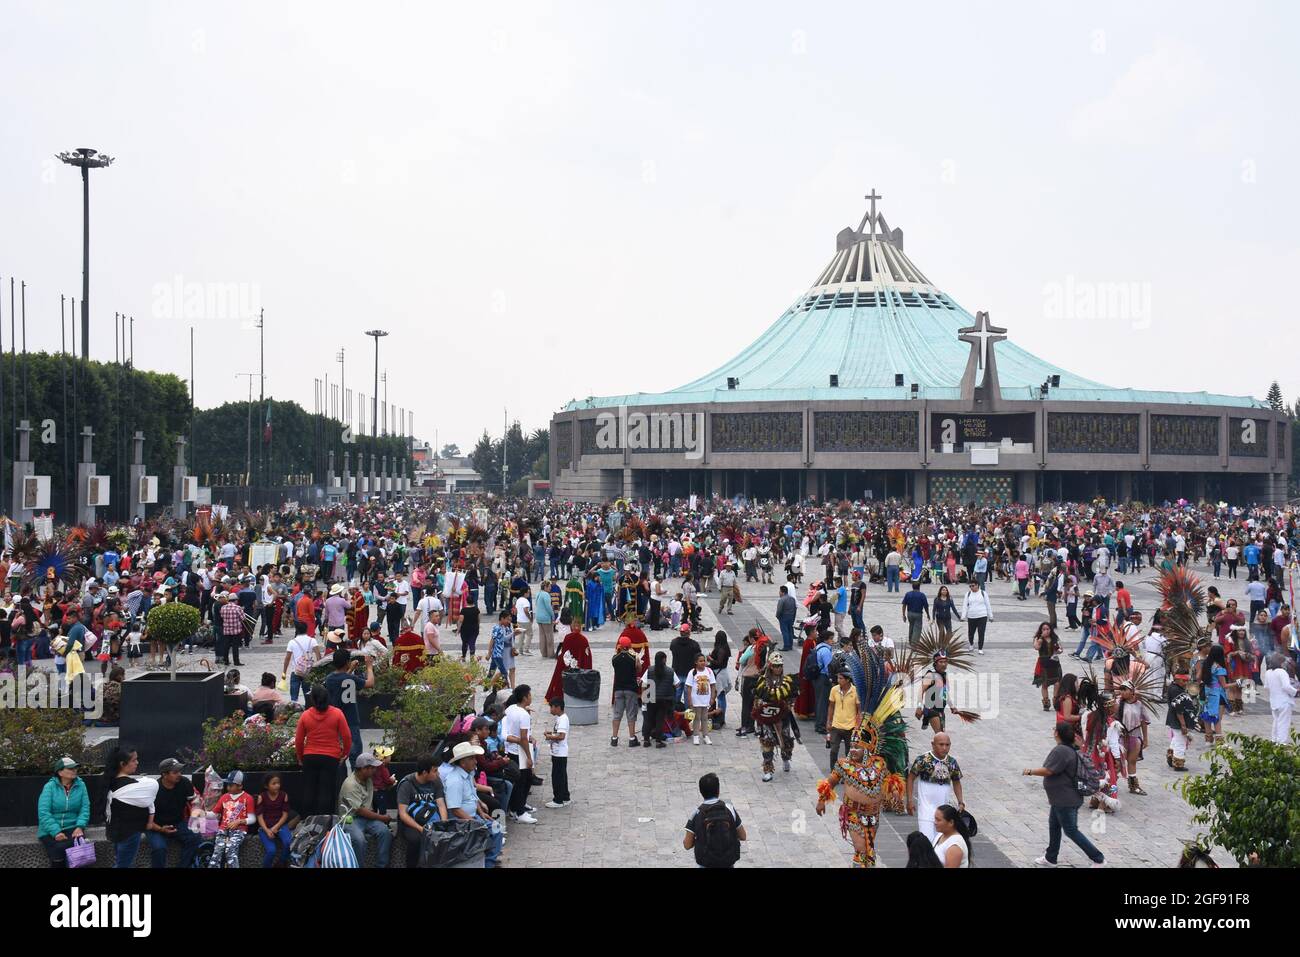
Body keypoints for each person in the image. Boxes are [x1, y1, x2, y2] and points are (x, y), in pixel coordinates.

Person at [1022, 721, 1105, 867]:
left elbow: (1048, 770)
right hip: (1059, 799)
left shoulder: (1060, 751)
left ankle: (1098, 858)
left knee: (1071, 831)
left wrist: (1030, 771)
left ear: (1057, 733)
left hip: (1066, 800)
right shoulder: (1069, 749)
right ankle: (1050, 857)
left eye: (1054, 729)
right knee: (1054, 826)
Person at [441, 742, 505, 867]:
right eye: (471, 758)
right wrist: (474, 821)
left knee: (497, 829)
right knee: (492, 831)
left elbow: (472, 797)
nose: (475, 761)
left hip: (473, 817)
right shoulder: (455, 780)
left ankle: (489, 861)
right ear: (462, 762)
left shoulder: (468, 775)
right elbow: (455, 810)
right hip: (461, 822)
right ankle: (488, 863)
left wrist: (481, 813)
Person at [294, 685, 352, 815]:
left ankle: (308, 819)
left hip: (310, 756)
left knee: (309, 789)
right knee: (327, 791)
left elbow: (298, 740)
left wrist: (300, 756)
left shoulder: (305, 715)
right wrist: (345, 753)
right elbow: (347, 736)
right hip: (331, 757)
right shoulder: (337, 714)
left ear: (313, 700)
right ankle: (325, 820)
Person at [907, 732, 965, 843]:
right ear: (933, 744)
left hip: (944, 811)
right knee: (927, 842)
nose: (944, 748)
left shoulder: (952, 762)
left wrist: (960, 802)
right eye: (941, 744)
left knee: (941, 842)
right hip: (926, 810)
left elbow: (956, 782)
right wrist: (910, 800)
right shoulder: (923, 760)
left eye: (947, 745)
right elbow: (910, 778)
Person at [105, 746, 156, 868]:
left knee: (121, 862)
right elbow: (150, 795)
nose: (137, 763)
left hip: (115, 830)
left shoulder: (109, 781)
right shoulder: (133, 786)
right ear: (123, 764)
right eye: (134, 760)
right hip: (130, 833)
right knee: (123, 865)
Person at [340, 753, 393, 868]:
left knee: (385, 832)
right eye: (373, 767)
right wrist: (382, 817)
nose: (375, 770)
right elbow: (360, 811)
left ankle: (382, 866)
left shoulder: (368, 779)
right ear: (364, 769)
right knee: (359, 840)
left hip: (367, 818)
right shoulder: (350, 784)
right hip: (351, 819)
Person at [396, 752, 448, 868]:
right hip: (411, 822)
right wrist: (420, 829)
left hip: (431, 818)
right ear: (425, 772)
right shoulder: (407, 784)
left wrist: (443, 824)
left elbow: (441, 805)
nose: (438, 773)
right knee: (416, 839)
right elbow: (403, 814)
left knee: (445, 836)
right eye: (435, 770)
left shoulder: (436, 781)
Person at [683, 772, 746, 868]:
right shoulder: (729, 809)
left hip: (706, 862)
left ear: (701, 792)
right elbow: (743, 836)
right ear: (718, 790)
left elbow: (687, 845)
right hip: (727, 862)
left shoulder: (696, 813)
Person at [324, 647, 374, 768]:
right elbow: (370, 683)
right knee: (355, 755)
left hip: (335, 721)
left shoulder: (329, 678)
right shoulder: (350, 679)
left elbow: (341, 680)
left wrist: (350, 669)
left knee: (337, 752)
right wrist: (369, 667)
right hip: (351, 720)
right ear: (347, 662)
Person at [148, 758, 202, 868]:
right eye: (175, 772)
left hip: (177, 822)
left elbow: (194, 802)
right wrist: (160, 829)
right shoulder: (154, 789)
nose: (179, 775)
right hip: (155, 825)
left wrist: (196, 819)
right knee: (159, 848)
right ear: (164, 774)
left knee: (195, 837)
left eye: (180, 771)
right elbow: (145, 819)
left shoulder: (184, 782)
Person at [37, 757, 90, 868]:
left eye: (75, 768)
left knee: (78, 851)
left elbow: (85, 808)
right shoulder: (49, 787)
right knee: (58, 849)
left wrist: (80, 826)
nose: (74, 770)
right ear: (60, 772)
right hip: (50, 829)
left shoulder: (81, 785)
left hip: (73, 826)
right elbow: (43, 812)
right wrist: (56, 832)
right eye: (70, 769)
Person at [753, 650, 797, 781]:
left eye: (780, 665)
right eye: (776, 665)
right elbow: (756, 696)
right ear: (770, 666)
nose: (779, 668)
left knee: (786, 739)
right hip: (766, 717)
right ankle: (768, 768)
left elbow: (792, 697)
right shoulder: (762, 681)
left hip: (782, 717)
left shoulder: (787, 681)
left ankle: (786, 758)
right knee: (767, 742)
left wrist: (788, 704)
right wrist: (760, 704)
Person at [501, 684, 540, 824]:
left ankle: (516, 808)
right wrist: (529, 757)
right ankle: (519, 812)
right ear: (525, 698)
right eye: (529, 695)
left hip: (511, 750)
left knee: (520, 780)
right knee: (522, 780)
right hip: (520, 751)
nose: (531, 697)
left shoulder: (511, 709)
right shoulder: (523, 715)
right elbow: (524, 737)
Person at [209, 771, 256, 868]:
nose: (228, 787)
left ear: (240, 786)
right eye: (227, 784)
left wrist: (239, 821)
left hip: (239, 830)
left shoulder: (248, 798)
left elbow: (252, 819)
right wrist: (202, 813)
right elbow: (214, 814)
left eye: (231, 785)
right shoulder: (224, 797)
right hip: (223, 829)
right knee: (217, 852)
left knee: (230, 851)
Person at [545, 620, 592, 703]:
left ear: (571, 627)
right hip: (579, 667)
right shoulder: (584, 639)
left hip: (567, 666)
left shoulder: (567, 637)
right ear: (580, 627)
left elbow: (564, 652)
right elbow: (587, 655)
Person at [255, 772, 294, 867]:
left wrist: (276, 827)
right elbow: (259, 816)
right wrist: (267, 830)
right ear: (266, 786)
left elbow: (285, 814)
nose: (277, 786)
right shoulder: (262, 797)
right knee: (271, 851)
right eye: (274, 783)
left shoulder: (283, 795)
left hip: (280, 825)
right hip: (265, 827)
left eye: (278, 783)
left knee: (288, 843)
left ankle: (281, 863)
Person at [610, 635, 641, 747]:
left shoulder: (615, 658)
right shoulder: (633, 658)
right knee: (631, 714)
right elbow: (639, 669)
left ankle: (614, 738)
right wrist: (636, 658)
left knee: (617, 714)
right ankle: (632, 738)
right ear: (630, 646)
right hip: (630, 689)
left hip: (618, 689)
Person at [826, 670, 861, 768]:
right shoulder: (834, 690)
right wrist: (828, 721)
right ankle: (833, 771)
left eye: (840, 678)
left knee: (849, 752)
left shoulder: (855, 691)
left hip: (851, 727)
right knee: (833, 750)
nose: (838, 680)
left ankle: (848, 771)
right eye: (838, 678)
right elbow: (831, 706)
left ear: (848, 680)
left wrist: (857, 726)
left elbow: (859, 710)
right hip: (836, 725)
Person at [543, 697, 571, 808]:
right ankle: (565, 796)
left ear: (558, 707)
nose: (550, 709)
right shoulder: (560, 718)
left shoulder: (563, 719)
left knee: (557, 776)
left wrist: (550, 736)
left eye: (551, 707)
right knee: (562, 775)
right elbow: (558, 732)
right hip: (559, 752)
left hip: (560, 753)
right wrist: (552, 733)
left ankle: (558, 799)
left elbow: (561, 736)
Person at [684, 652, 717, 746]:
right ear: (696, 662)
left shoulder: (709, 671)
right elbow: (689, 688)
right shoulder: (692, 672)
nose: (703, 663)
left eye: (704, 661)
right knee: (697, 717)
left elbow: (713, 685)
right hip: (696, 699)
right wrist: (689, 700)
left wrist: (712, 697)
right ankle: (696, 736)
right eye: (700, 661)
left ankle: (706, 735)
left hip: (705, 699)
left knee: (705, 718)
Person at [1263, 653, 1296, 745]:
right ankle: (1282, 742)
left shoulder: (1268, 672)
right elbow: (1286, 686)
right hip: (1284, 701)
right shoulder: (1282, 672)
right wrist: (1295, 691)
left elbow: (1266, 687)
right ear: (1280, 663)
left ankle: (1274, 739)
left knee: (1276, 721)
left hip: (1274, 701)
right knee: (1284, 722)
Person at [1032, 622, 1063, 712]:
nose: (1046, 631)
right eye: (1044, 629)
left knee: (1057, 683)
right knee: (1045, 684)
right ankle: (1046, 702)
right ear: (1041, 630)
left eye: (1047, 629)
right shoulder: (1038, 638)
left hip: (1054, 663)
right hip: (1044, 663)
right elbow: (1036, 647)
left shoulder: (1055, 638)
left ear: (1051, 630)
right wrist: (1041, 638)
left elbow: (1061, 649)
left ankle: (1055, 700)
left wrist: (1058, 650)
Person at [932, 804, 972, 868]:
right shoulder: (940, 835)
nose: (935, 822)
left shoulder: (955, 846)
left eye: (938, 820)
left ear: (951, 822)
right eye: (935, 819)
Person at [960, 579, 992, 654]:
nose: (971, 587)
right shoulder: (968, 594)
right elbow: (965, 605)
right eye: (970, 586)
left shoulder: (983, 593)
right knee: (971, 632)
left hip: (982, 615)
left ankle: (980, 648)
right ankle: (971, 644)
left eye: (973, 586)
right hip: (971, 616)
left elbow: (988, 605)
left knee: (981, 632)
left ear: (977, 585)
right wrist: (963, 616)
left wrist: (990, 616)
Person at [902, 580, 930, 647]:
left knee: (911, 627)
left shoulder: (908, 594)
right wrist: (928, 614)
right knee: (917, 629)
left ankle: (910, 641)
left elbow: (904, 604)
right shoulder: (922, 595)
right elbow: (926, 606)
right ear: (919, 587)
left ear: (912, 587)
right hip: (918, 614)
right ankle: (914, 644)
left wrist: (903, 614)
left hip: (909, 613)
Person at [775, 585, 797, 651]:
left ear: (783, 592)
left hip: (784, 617)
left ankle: (786, 646)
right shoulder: (792, 599)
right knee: (790, 631)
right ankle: (790, 645)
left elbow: (779, 610)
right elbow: (795, 609)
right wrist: (793, 617)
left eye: (780, 591)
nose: (779, 593)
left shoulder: (781, 600)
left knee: (785, 632)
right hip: (791, 616)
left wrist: (777, 616)